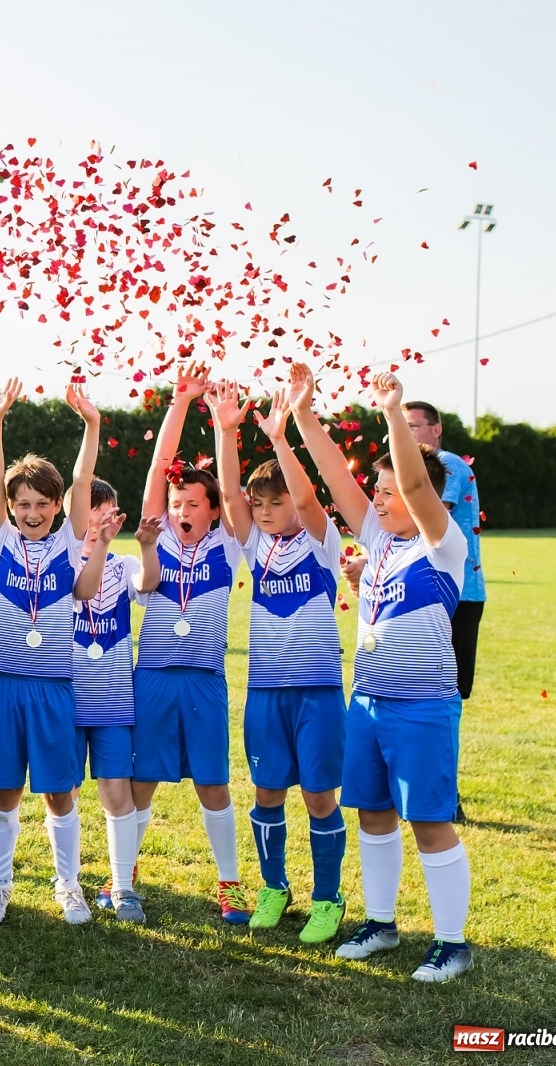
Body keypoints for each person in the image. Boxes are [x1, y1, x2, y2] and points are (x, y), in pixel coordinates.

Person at [290, 365, 476, 982]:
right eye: (380, 490)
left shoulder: (443, 543)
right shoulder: (378, 536)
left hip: (421, 704)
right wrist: (302, 413)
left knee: (428, 820)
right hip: (366, 699)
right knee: (370, 812)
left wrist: (395, 415)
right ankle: (382, 922)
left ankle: (452, 944)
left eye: (388, 491)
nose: (379, 499)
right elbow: (335, 477)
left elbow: (419, 484)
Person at [210, 382, 349, 945]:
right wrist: (225, 430)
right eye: (259, 504)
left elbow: (312, 500)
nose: (266, 512)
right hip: (266, 692)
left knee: (319, 796)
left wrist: (280, 437)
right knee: (267, 791)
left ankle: (328, 897)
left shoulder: (323, 541)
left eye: (277, 501)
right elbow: (228, 494)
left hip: (317, 692)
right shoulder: (253, 546)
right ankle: (273, 886)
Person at [0, 378, 99, 927]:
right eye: (22, 503)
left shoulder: (69, 541)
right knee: (5, 791)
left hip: (53, 685)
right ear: (10, 506)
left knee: (59, 793)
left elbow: (83, 478)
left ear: (56, 507)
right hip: (4, 680)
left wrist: (92, 425)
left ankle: (68, 884)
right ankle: (0, 885)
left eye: (42, 504)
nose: (31, 512)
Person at [131, 363, 253, 925]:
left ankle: (229, 883)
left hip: (204, 679)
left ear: (212, 512)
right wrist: (180, 403)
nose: (182, 511)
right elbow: (160, 467)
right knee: (142, 781)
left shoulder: (228, 548)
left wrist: (223, 428)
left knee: (212, 783)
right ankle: (123, 870)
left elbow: (232, 490)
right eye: (176, 503)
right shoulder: (153, 536)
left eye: (193, 504)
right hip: (151, 675)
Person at [72, 481, 160, 923]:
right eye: (94, 514)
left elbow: (149, 583)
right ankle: (67, 883)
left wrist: (146, 547)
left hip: (111, 699)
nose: (102, 523)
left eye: (109, 514)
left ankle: (123, 887)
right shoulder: (58, 560)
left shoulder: (123, 563)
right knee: (60, 792)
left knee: (116, 793)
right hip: (66, 699)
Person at [401, 401, 485, 700]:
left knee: (448, 689)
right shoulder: (410, 472)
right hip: (428, 589)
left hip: (459, 592)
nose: (406, 433)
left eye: (412, 426)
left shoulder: (448, 463)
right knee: (419, 684)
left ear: (435, 430)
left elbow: (431, 515)